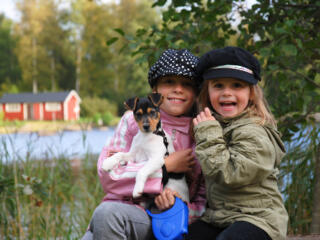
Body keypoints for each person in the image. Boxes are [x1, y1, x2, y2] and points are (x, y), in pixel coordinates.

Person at [82, 49, 206, 240]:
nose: (178, 89)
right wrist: (165, 167)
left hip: (168, 223)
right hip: (122, 214)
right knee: (102, 220)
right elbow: (109, 176)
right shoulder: (131, 122)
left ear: (197, 92)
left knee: (106, 215)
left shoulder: (202, 131)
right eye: (169, 81)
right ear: (155, 90)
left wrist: (179, 207)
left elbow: (204, 201)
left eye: (187, 84)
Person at [188, 46, 288, 240]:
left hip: (259, 220)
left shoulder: (254, 131)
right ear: (207, 92)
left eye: (236, 85)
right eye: (218, 85)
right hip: (219, 217)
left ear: (251, 93)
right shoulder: (214, 124)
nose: (227, 93)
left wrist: (209, 134)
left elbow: (232, 175)